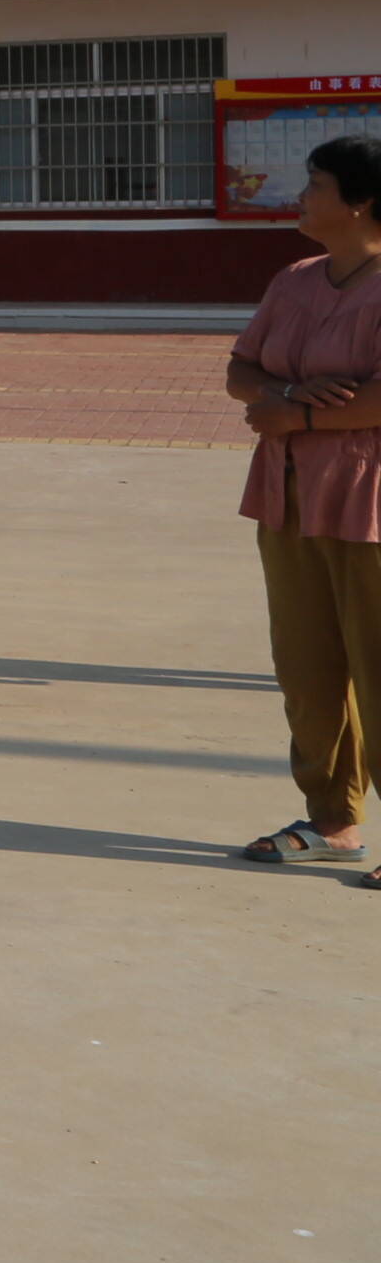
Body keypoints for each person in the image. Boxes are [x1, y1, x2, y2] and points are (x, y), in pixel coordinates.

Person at [224, 132, 381, 880]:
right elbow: (241, 368)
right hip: (287, 498)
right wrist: (282, 397)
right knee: (307, 667)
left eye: (316, 184)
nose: (301, 194)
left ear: (359, 202)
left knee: (378, 665)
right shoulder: (294, 280)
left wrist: (301, 419)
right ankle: (332, 817)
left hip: (369, 501)